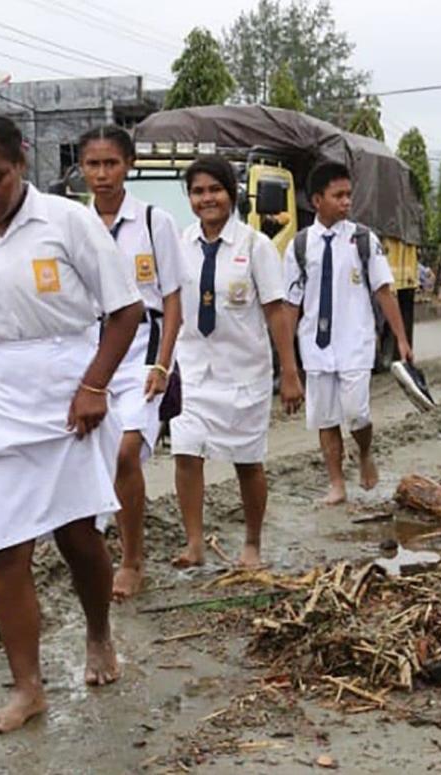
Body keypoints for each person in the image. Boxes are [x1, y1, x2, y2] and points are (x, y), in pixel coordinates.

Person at [0, 111, 144, 733]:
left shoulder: (69, 222)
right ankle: (28, 688)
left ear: (21, 163)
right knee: (3, 549)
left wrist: (93, 387)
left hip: (67, 401)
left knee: (78, 536)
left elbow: (127, 312)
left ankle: (99, 636)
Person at [170, 155, 303, 568]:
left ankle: (252, 544)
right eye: (197, 191)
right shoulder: (179, 245)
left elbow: (276, 312)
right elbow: (171, 305)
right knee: (187, 453)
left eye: (214, 189)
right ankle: (193, 543)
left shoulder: (255, 246)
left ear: (231, 193)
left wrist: (291, 373)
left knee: (247, 461)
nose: (206, 199)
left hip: (244, 371)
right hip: (192, 368)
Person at [77, 125, 183, 602]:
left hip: (144, 345)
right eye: (93, 165)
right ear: (81, 169)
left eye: (111, 164)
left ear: (129, 165)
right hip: (94, 348)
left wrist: (163, 363)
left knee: (125, 453)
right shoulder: (73, 223)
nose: (102, 174)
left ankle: (133, 559)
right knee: (95, 455)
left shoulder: (154, 221)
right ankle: (97, 549)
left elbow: (174, 300)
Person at [284, 161, 414, 505]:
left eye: (348, 195)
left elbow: (384, 290)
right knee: (325, 419)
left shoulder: (362, 240)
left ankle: (365, 451)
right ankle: (336, 483)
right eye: (337, 195)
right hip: (315, 344)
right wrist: (287, 361)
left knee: (357, 412)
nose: (346, 202)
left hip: (355, 341)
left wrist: (401, 338)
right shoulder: (299, 246)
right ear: (316, 200)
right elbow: (290, 305)